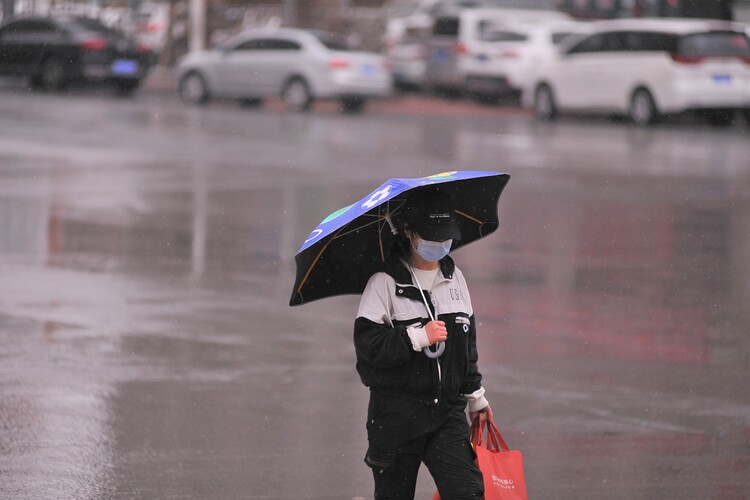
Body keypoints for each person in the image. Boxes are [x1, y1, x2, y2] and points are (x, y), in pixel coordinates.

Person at [353, 186, 493, 499]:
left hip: (447, 413)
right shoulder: (383, 283)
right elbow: (368, 351)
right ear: (408, 233)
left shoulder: (456, 278)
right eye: (431, 236)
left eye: (446, 236)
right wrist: (416, 336)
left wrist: (476, 397)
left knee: (468, 492)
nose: (440, 244)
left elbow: (466, 349)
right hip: (395, 417)